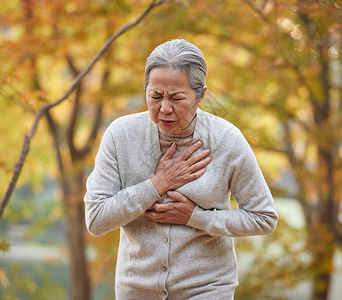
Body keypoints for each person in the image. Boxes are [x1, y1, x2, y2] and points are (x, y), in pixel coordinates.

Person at [84, 39, 278, 299]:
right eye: (155, 96)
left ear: (201, 95)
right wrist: (156, 184)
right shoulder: (121, 136)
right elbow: (96, 220)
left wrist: (196, 217)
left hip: (208, 287)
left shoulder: (226, 140)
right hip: (137, 289)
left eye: (176, 98)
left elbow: (263, 217)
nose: (164, 108)